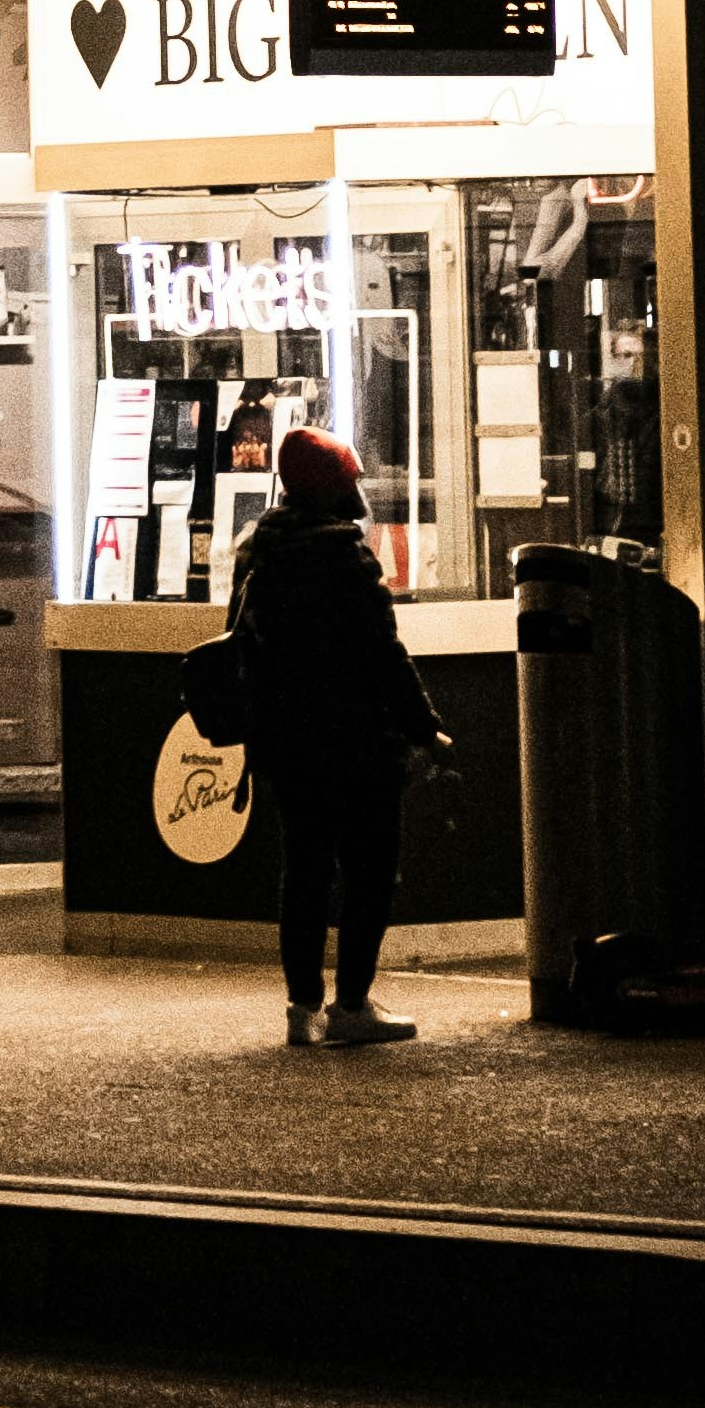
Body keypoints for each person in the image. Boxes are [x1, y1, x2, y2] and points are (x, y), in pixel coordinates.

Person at [230, 419, 448, 1048]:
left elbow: (244, 645)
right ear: (330, 488)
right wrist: (426, 729)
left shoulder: (258, 551)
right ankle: (352, 1003)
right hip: (357, 742)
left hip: (286, 741)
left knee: (303, 869)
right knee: (369, 871)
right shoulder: (345, 557)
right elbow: (384, 656)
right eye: (350, 481)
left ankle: (302, 1008)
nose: (359, 493)